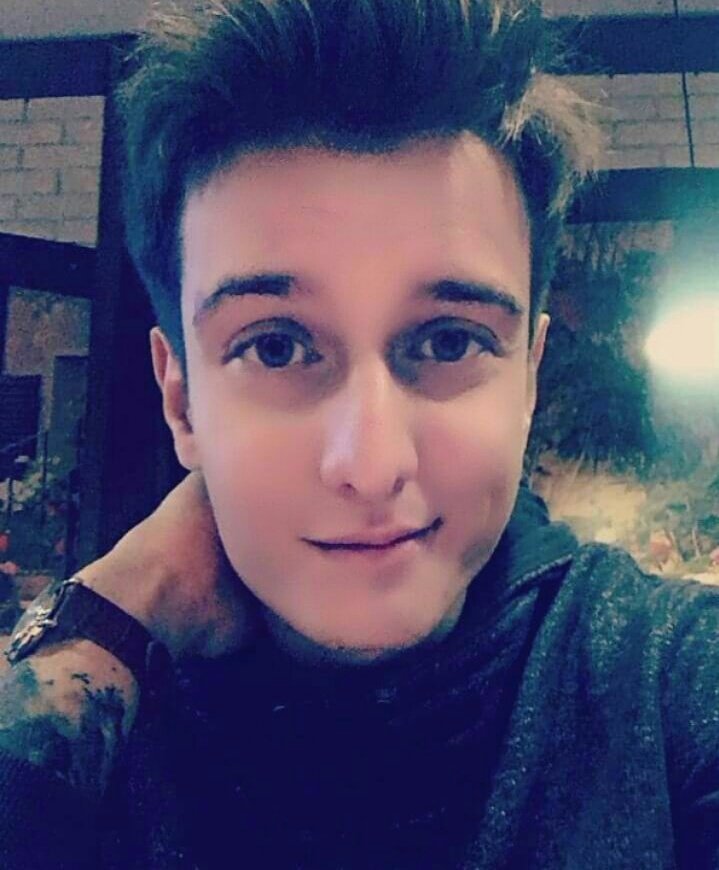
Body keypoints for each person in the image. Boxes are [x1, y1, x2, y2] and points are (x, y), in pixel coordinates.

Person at [0, 1, 717, 867]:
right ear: (180, 400)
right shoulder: (100, 737)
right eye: (275, 346)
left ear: (527, 376)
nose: (371, 465)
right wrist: (112, 612)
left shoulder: (673, 684)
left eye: (447, 341)